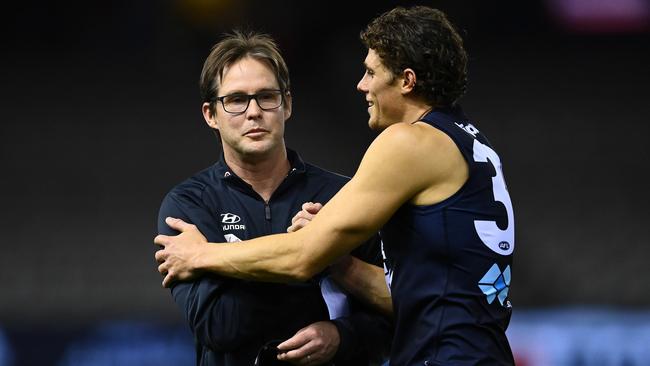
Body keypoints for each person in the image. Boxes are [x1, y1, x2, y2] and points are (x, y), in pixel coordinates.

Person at [156, 6, 515, 365]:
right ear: (210, 114)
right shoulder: (470, 142)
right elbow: (416, 294)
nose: (361, 84)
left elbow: (303, 256)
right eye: (236, 100)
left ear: (406, 81)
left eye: (371, 72)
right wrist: (341, 265)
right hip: (479, 348)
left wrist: (202, 255)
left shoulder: (408, 142)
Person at [155, 30, 391, 366]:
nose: (254, 112)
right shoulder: (188, 206)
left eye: (267, 96)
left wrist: (342, 337)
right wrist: (309, 253)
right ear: (211, 115)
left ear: (287, 104)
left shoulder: (344, 195)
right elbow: (218, 327)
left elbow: (391, 321)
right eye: (236, 100)